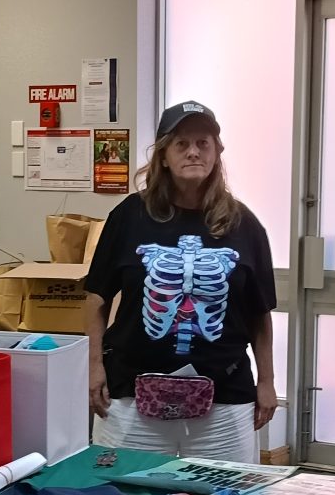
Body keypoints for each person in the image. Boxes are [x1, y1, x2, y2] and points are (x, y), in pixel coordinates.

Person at [85, 100, 277, 463]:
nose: (193, 152)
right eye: (181, 144)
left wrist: (266, 381)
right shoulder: (129, 216)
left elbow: (259, 311)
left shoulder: (244, 224)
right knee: (121, 492)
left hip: (223, 397)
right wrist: (94, 366)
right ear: (163, 155)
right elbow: (97, 298)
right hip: (131, 395)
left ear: (217, 152)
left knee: (224, 492)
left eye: (203, 143)